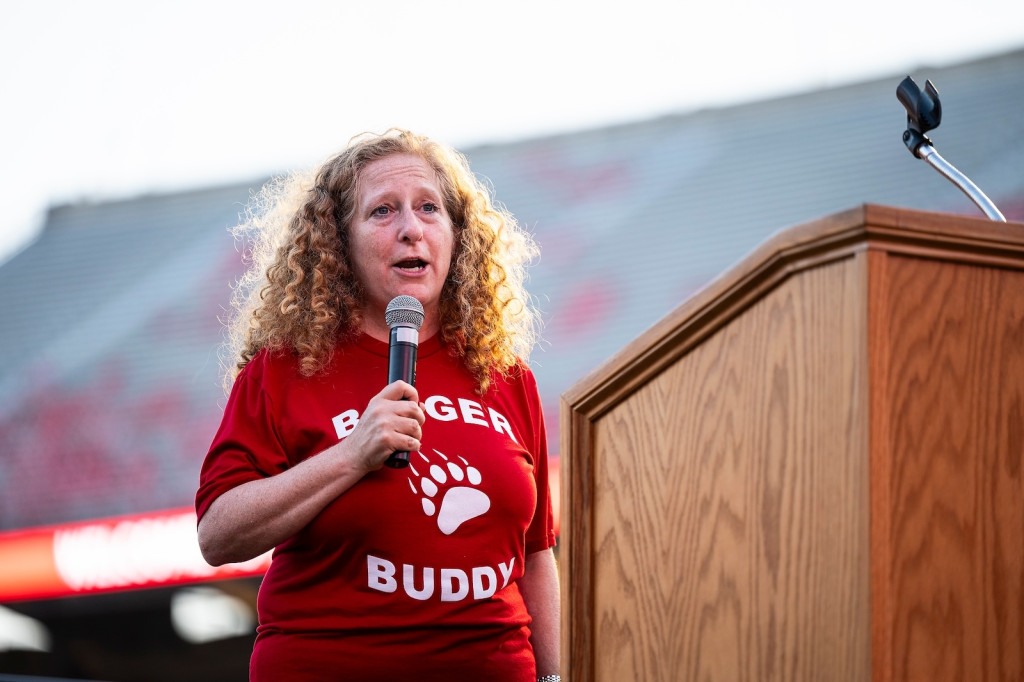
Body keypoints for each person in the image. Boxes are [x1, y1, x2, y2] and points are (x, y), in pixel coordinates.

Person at [195, 129, 560, 682]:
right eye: (383, 211)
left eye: (429, 209)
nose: (411, 229)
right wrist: (351, 455)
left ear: (457, 236)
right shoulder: (284, 370)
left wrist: (555, 678)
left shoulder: (506, 377)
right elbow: (218, 533)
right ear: (339, 243)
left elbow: (535, 557)